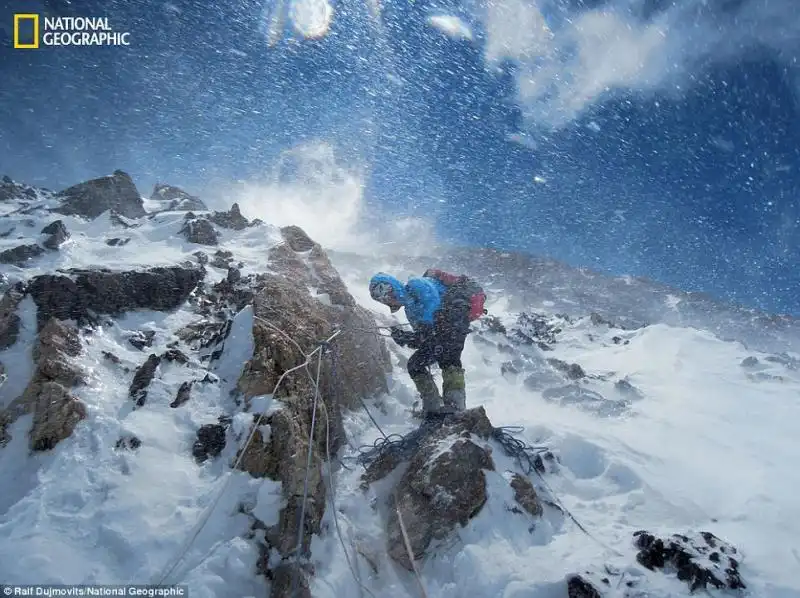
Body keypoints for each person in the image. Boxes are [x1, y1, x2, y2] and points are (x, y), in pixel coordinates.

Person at [369, 269, 485, 418]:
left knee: (448, 361)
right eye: (382, 298)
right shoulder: (410, 310)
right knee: (419, 364)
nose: (387, 298)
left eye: (387, 291)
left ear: (393, 285)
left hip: (453, 324)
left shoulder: (416, 284)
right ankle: (436, 407)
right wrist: (406, 338)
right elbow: (424, 339)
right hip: (448, 329)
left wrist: (417, 333)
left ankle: (453, 408)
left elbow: (433, 305)